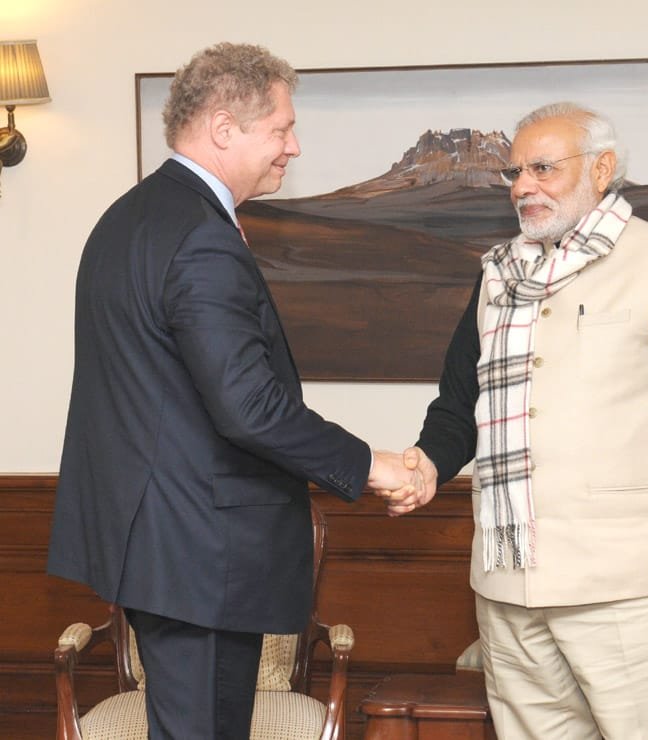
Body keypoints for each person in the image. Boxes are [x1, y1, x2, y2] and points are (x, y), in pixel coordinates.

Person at [47, 42, 416, 740]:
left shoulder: (129, 218)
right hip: (200, 554)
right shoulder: (200, 237)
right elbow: (248, 407)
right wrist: (373, 464)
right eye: (281, 129)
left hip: (158, 546)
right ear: (223, 128)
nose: (294, 146)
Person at [392, 102, 648, 739]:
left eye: (543, 168)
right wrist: (423, 465)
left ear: (603, 169)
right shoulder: (495, 278)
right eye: (514, 172)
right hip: (507, 594)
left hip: (628, 595)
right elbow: (458, 410)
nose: (523, 186)